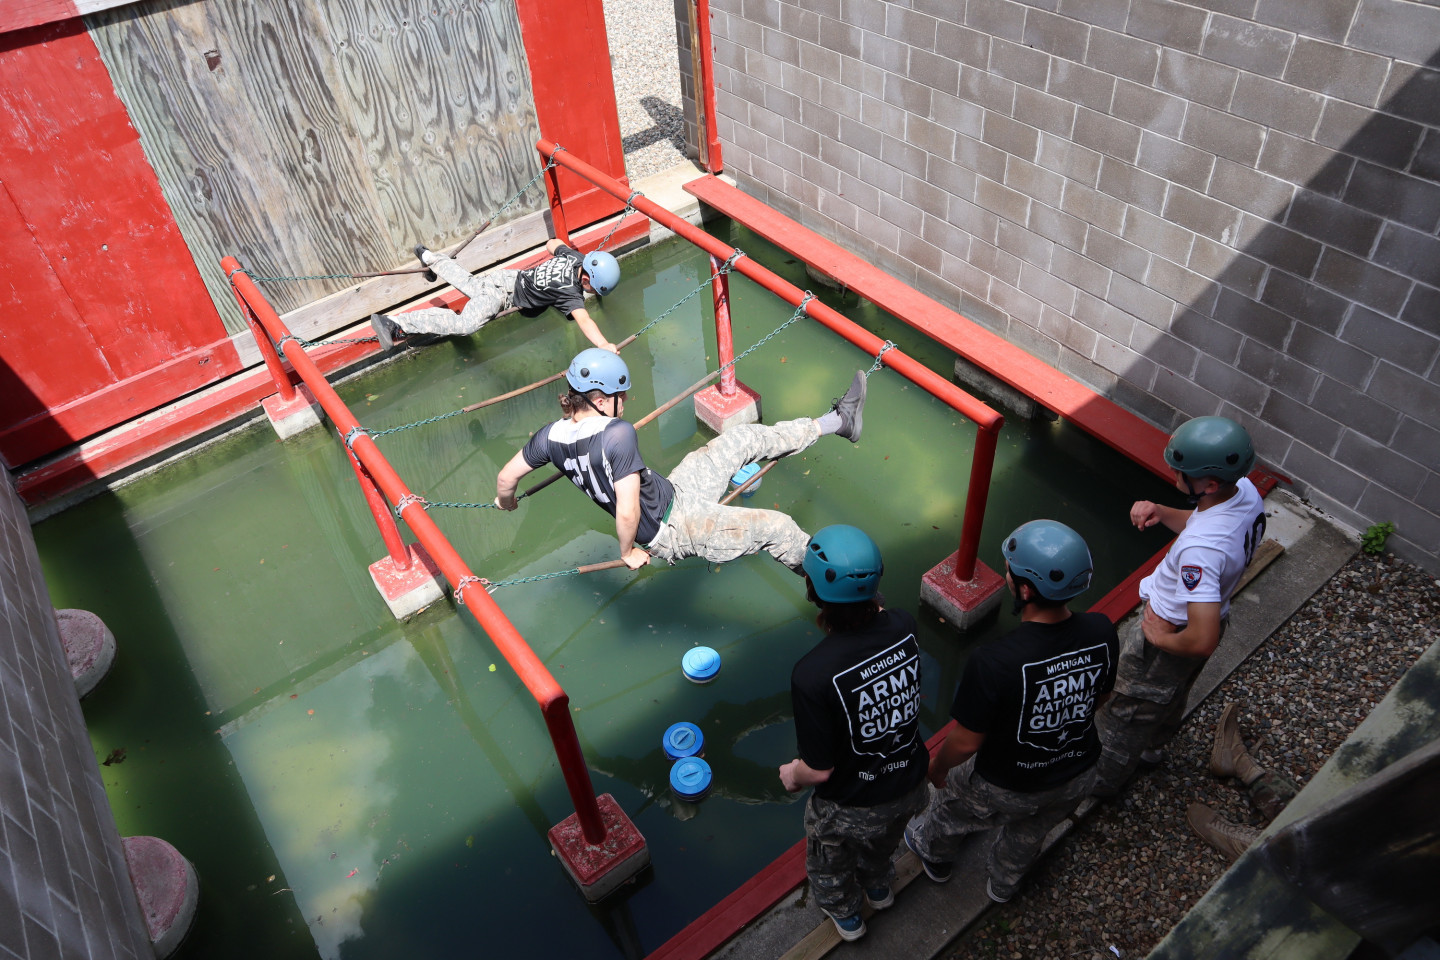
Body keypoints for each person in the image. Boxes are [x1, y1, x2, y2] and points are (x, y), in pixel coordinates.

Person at [494, 348, 868, 573]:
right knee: (779, 529)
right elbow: (626, 513)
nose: (625, 403)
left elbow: (505, 479)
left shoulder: (549, 436)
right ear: (602, 399)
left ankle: (838, 421)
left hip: (677, 491)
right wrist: (626, 553)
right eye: (621, 396)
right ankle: (842, 598)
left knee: (743, 438)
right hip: (675, 529)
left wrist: (505, 503)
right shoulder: (616, 434)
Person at [904, 520, 1118, 903]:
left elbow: (966, 743)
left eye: (1010, 570)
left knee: (954, 802)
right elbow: (1101, 697)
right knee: (1033, 829)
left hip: (1008, 785)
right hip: (1078, 772)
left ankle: (934, 854)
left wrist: (937, 768)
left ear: (1025, 589)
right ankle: (1004, 882)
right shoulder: (1101, 630)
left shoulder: (994, 661)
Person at [1091, 415, 1266, 797]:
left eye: (1181, 470)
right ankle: (1153, 748)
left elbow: (1201, 639)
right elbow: (1205, 520)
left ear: (1210, 483)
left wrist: (1160, 639)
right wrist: (1162, 511)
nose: (1173, 471)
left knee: (1126, 711)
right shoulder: (1246, 491)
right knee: (1171, 694)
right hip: (1211, 613)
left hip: (1171, 634)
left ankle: (1100, 783)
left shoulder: (1200, 553)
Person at [779, 525, 928, 942]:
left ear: (813, 591)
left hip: (853, 804)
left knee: (829, 861)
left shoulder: (812, 674)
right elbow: (882, 621)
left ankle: (847, 916)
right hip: (910, 782)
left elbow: (820, 770)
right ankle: (879, 889)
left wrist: (793, 774)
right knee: (882, 845)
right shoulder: (904, 625)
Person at [369, 239, 620, 352]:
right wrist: (603, 345)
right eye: (592, 290)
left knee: (469, 283)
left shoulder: (576, 258)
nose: (589, 294)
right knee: (464, 325)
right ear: (586, 279)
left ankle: (429, 257)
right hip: (502, 295)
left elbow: (552, 243)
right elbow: (584, 320)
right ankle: (396, 323)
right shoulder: (570, 294)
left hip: (506, 277)